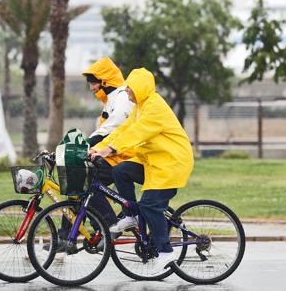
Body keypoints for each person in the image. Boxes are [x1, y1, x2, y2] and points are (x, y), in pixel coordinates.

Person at [91, 67, 194, 271]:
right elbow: (124, 129)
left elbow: (137, 133)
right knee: (120, 170)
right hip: (153, 161)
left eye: (130, 88)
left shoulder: (154, 106)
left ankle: (165, 252)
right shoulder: (140, 106)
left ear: (140, 88)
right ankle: (131, 214)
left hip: (171, 163)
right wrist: (97, 148)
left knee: (150, 205)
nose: (127, 92)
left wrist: (111, 149)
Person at [51, 57, 134, 251]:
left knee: (85, 182)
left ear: (105, 81)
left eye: (93, 82)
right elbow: (104, 130)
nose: (91, 87)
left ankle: (108, 227)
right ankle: (66, 238)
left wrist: (88, 144)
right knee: (77, 184)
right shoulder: (111, 100)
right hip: (110, 155)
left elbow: (113, 126)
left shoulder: (122, 95)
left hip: (123, 157)